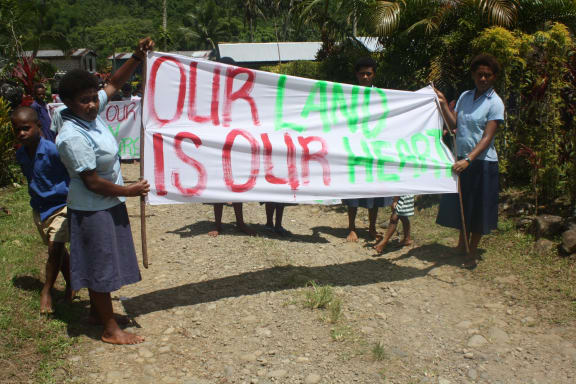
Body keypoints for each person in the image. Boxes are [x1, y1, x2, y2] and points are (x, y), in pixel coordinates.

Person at [56, 37, 154, 345]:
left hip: (106, 204)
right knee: (100, 264)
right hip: (92, 207)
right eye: (84, 100)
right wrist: (130, 190)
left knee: (107, 260)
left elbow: (113, 83)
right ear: (69, 104)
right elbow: (93, 182)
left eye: (93, 98)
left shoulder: (91, 115)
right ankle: (110, 330)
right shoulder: (72, 135)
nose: (92, 103)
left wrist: (137, 57)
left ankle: (99, 313)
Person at [434, 54, 504, 268]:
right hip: (461, 160)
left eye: (488, 75)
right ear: (473, 75)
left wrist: (469, 160)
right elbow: (454, 123)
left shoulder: (496, 103)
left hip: (482, 163)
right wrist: (444, 103)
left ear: (494, 77)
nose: (483, 79)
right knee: (463, 206)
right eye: (480, 74)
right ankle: (460, 246)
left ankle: (471, 253)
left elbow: (487, 138)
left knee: (478, 209)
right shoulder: (465, 96)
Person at [12, 106, 72, 314]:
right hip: (40, 208)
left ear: (38, 126)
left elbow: (71, 173)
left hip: (61, 206)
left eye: (26, 128)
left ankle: (46, 291)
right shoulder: (21, 154)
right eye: (17, 129)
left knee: (55, 248)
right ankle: (72, 284)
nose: (22, 133)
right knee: (59, 251)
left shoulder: (54, 150)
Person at [342, 57, 392, 242]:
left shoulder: (382, 96)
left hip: (374, 149)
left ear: (374, 75)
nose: (364, 76)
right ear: (356, 75)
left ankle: (371, 228)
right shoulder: (348, 95)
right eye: (361, 73)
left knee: (374, 191)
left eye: (368, 73)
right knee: (353, 191)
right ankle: (352, 228)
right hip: (354, 149)